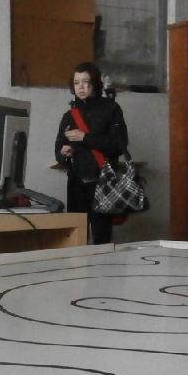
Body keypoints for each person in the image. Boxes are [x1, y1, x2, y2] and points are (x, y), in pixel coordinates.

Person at [53, 62, 129, 245]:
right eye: (76, 82)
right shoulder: (69, 115)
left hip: (102, 181)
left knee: (102, 237)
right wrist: (65, 153)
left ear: (95, 83)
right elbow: (58, 151)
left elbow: (119, 145)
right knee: (75, 237)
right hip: (76, 182)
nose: (80, 87)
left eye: (85, 82)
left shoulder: (111, 109)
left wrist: (85, 137)